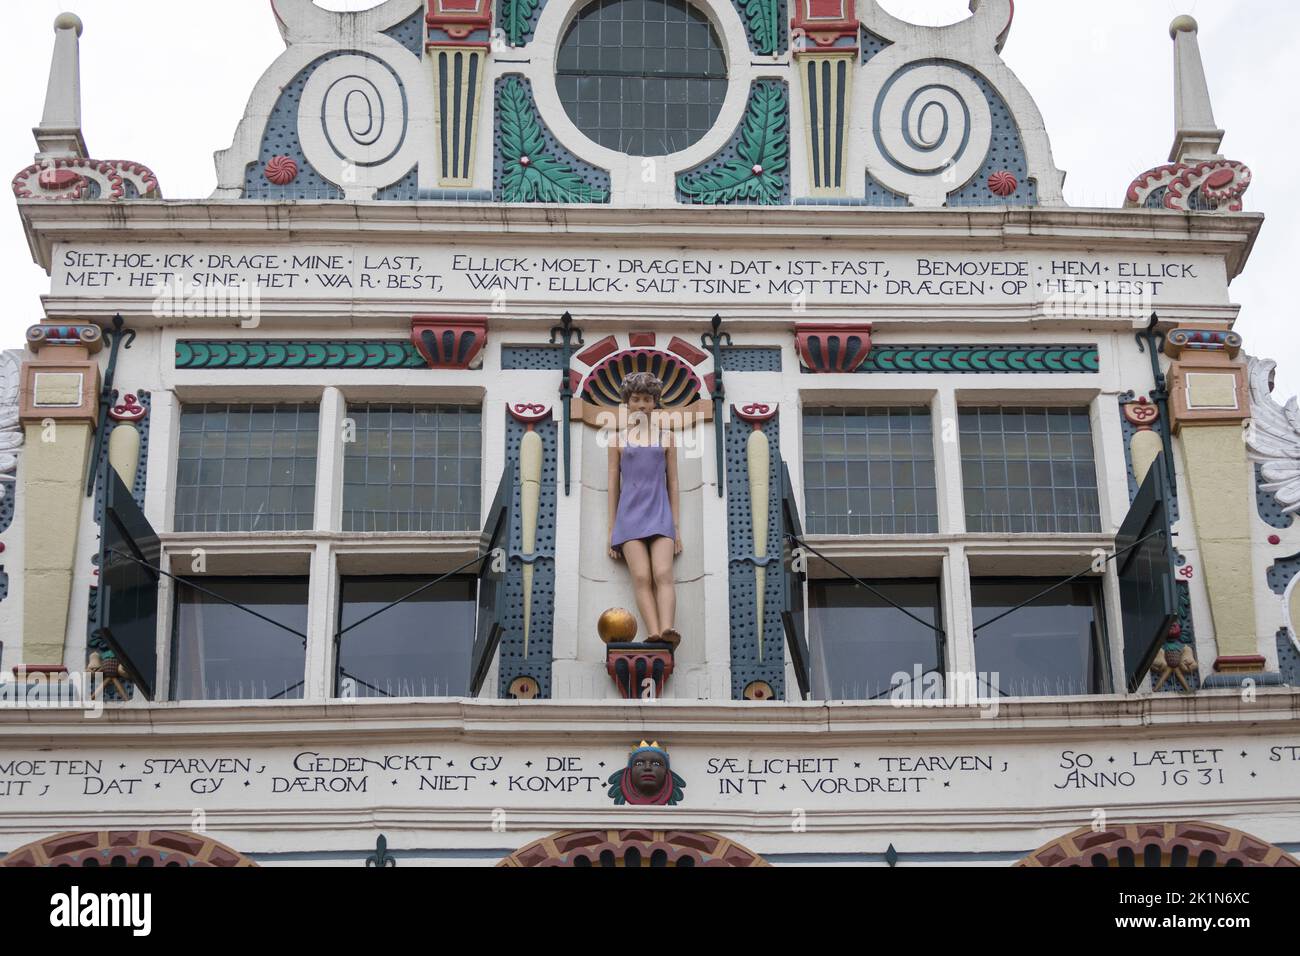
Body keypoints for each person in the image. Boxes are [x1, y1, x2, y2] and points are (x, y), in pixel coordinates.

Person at [607, 372, 683, 648]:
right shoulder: (617, 440)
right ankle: (654, 632)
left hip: (660, 514)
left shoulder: (667, 439)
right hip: (629, 518)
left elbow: (673, 482)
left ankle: (667, 628)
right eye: (636, 399)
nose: (641, 404)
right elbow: (613, 486)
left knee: (663, 573)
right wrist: (611, 529)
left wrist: (675, 526)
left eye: (647, 399)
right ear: (627, 403)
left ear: (655, 404)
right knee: (641, 577)